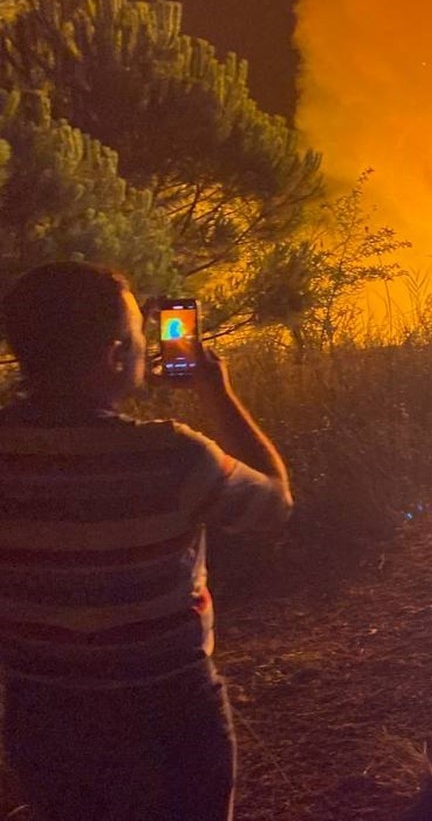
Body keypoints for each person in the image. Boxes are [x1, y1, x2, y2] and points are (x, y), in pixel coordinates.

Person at [0, 262, 293, 820]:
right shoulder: (173, 455)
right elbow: (273, 506)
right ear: (114, 356)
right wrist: (217, 392)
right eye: (139, 335)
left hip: (44, 714)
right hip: (169, 710)